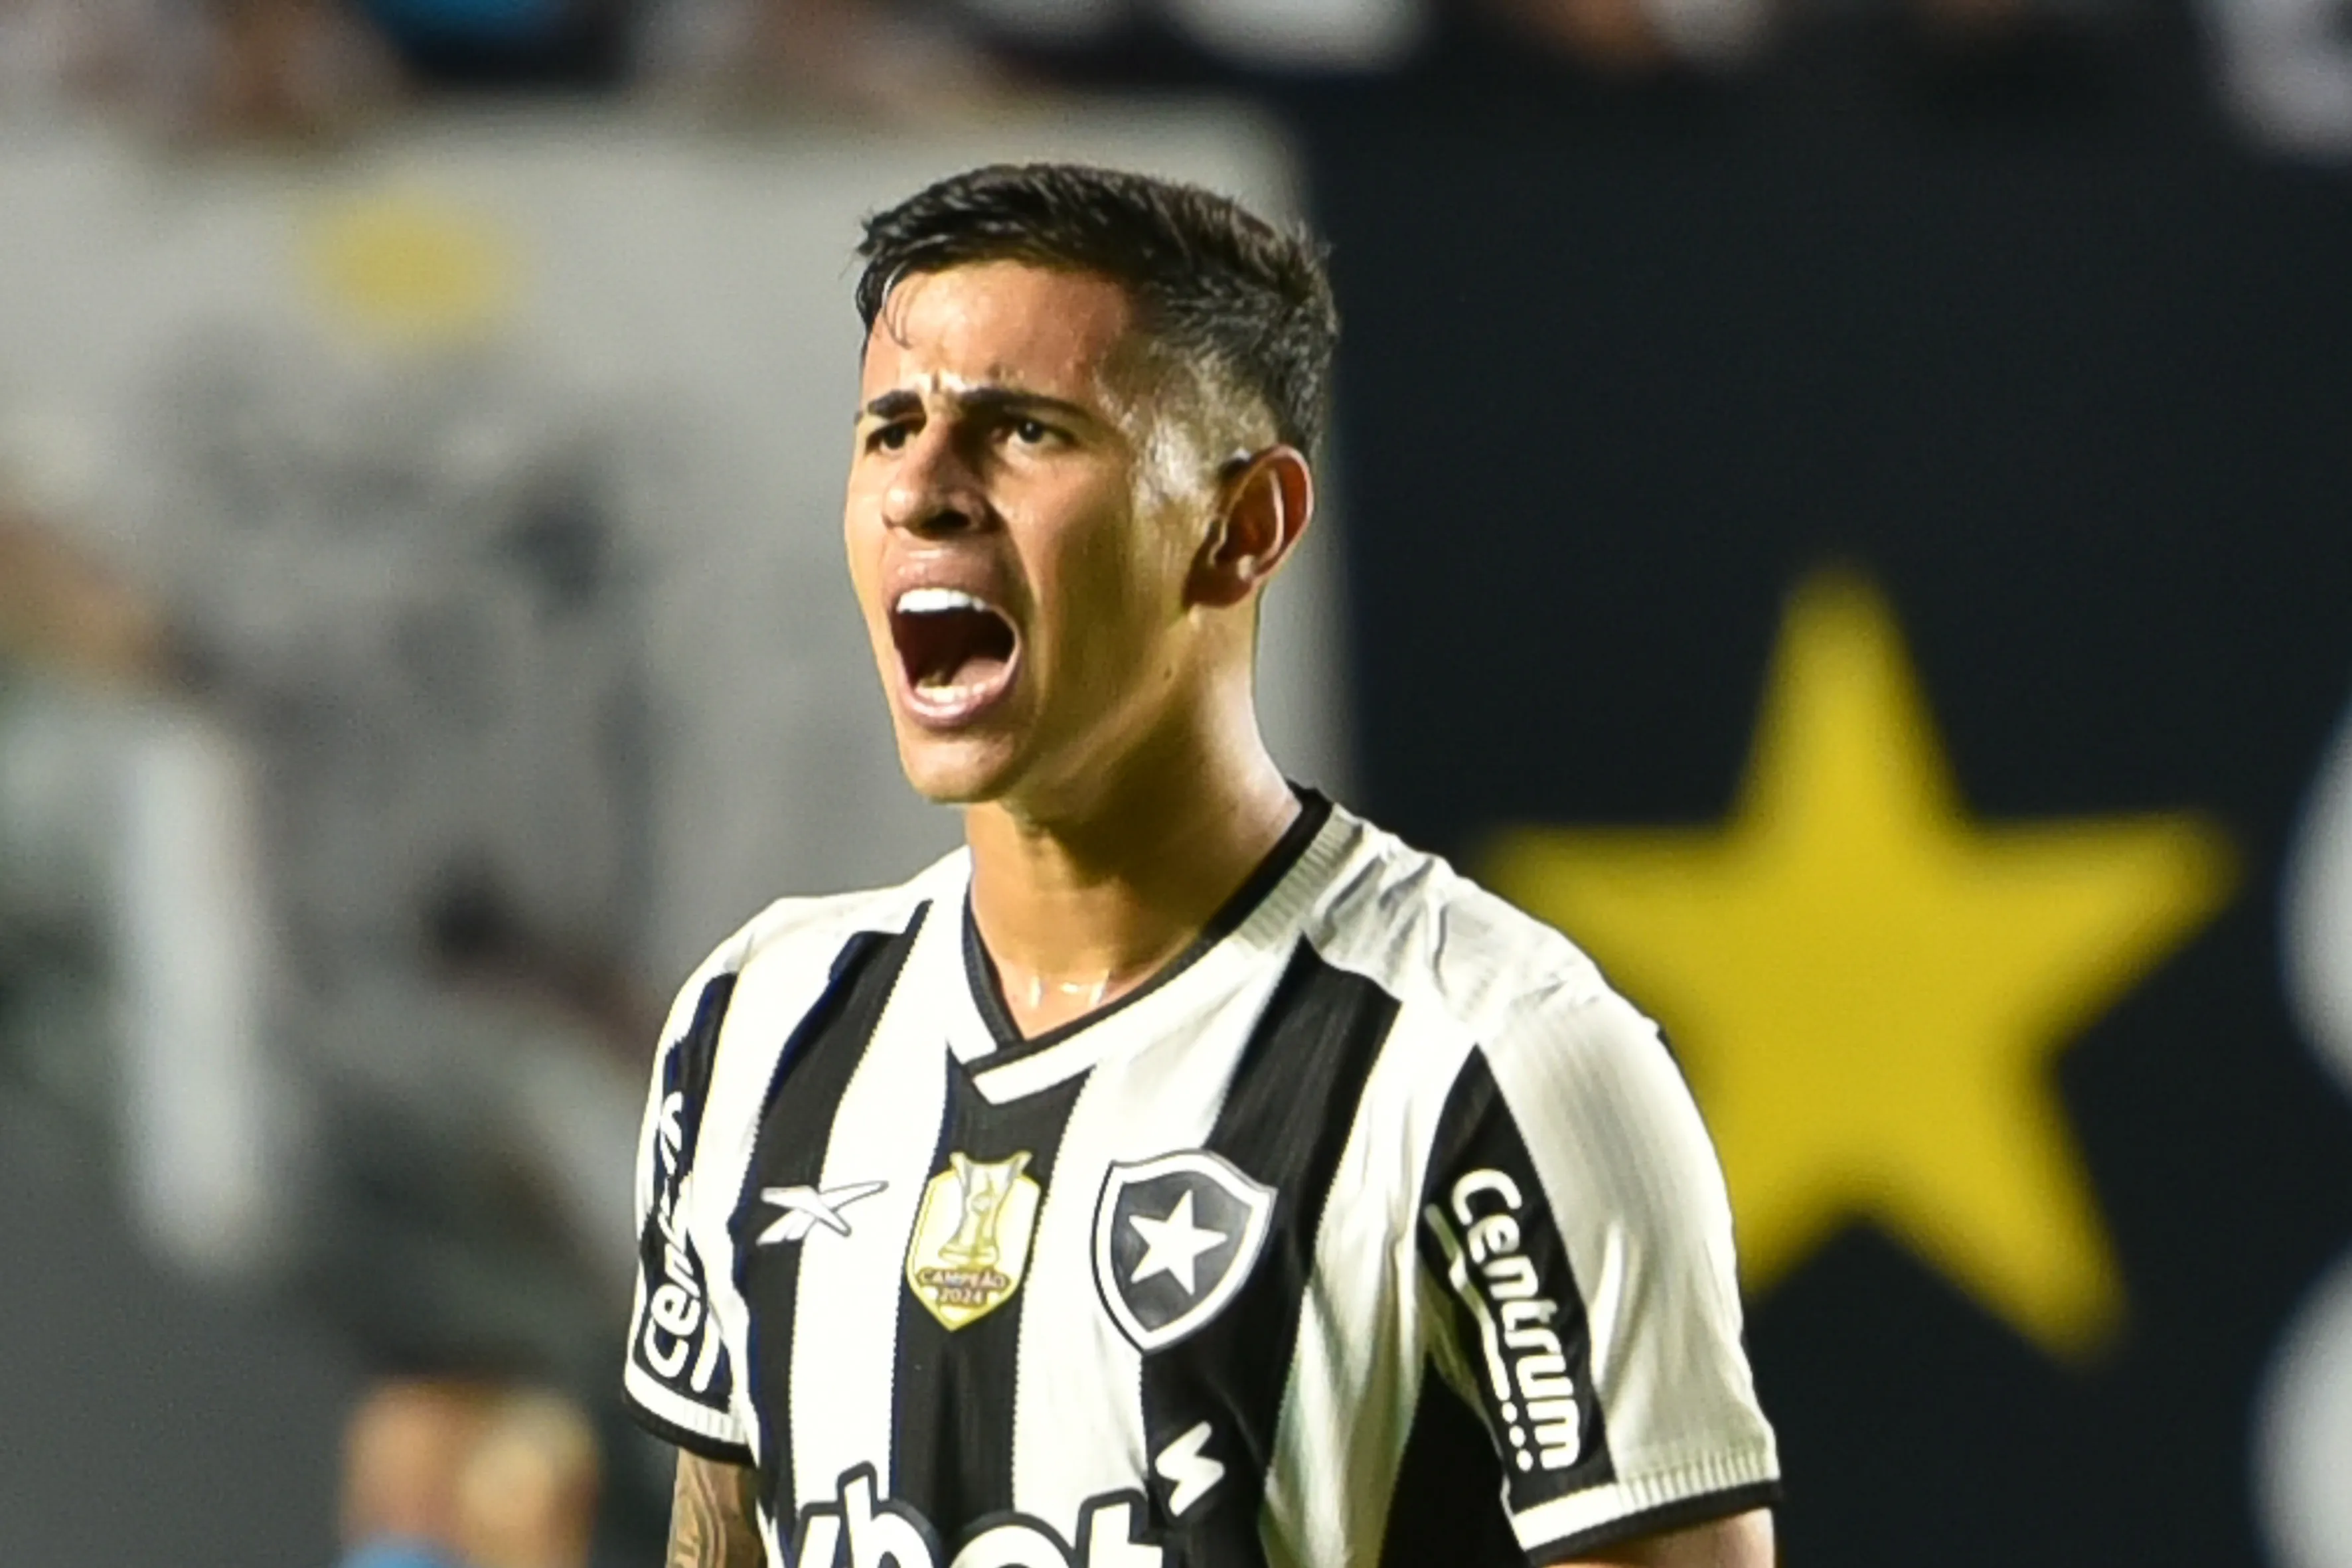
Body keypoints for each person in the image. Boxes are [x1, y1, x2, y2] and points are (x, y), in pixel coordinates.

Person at [621, 163, 1781, 1568]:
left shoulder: (1497, 1063)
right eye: (887, 430)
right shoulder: (759, 1023)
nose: (923, 490)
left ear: (1247, 525)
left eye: (1021, 431)